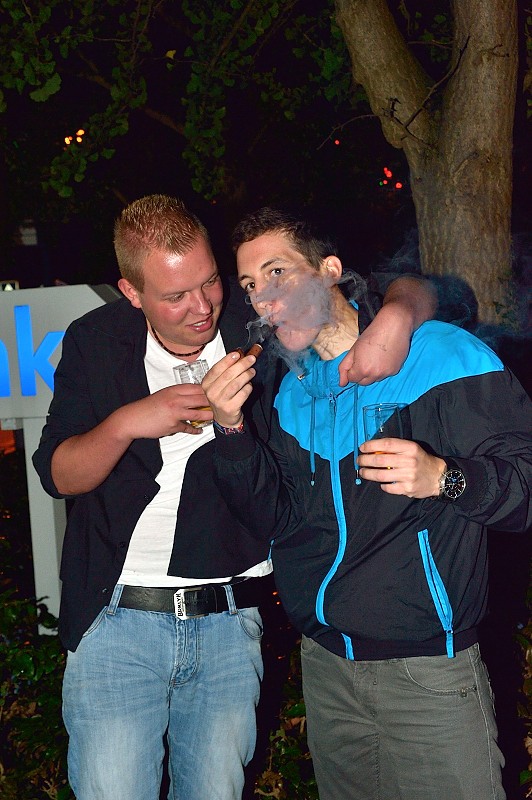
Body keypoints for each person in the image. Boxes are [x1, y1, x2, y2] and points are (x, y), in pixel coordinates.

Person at [32, 195, 436, 800]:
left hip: (229, 621)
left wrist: (396, 319)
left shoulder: (253, 324)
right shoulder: (98, 340)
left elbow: (400, 286)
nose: (202, 307)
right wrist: (130, 422)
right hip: (117, 620)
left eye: (210, 282)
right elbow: (59, 475)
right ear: (132, 292)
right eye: (176, 296)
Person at [203, 207, 532, 800]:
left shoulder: (441, 356)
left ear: (330, 270)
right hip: (327, 671)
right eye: (250, 285)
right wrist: (229, 429)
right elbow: (272, 522)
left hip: (429, 675)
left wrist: (446, 478)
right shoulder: (288, 391)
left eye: (277, 273)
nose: (263, 299)